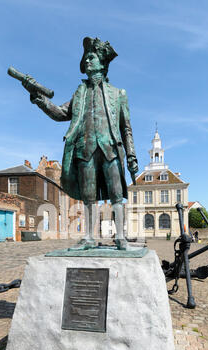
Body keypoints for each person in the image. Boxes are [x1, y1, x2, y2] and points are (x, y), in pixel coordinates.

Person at [23, 37, 138, 250]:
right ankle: (88, 237)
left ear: (102, 62)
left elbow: (126, 128)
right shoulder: (79, 93)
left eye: (91, 57)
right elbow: (59, 113)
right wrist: (38, 97)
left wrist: (131, 155)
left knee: (116, 194)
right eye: (85, 58)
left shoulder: (118, 94)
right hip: (84, 149)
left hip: (110, 148)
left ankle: (121, 237)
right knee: (88, 196)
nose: (86, 61)